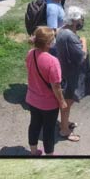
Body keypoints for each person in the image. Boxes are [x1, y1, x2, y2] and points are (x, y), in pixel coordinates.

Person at [55, 6, 90, 142]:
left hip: (64, 71)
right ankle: (64, 130)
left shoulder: (62, 30)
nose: (82, 21)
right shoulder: (70, 36)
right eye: (81, 19)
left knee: (66, 102)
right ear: (75, 20)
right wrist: (84, 42)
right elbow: (81, 56)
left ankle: (64, 123)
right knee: (67, 102)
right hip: (70, 74)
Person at [25, 26, 65, 156]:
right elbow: (56, 86)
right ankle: (50, 156)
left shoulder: (30, 54)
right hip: (48, 104)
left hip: (32, 99)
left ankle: (33, 151)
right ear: (48, 43)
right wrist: (62, 101)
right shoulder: (53, 61)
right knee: (48, 130)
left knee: (34, 125)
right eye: (53, 39)